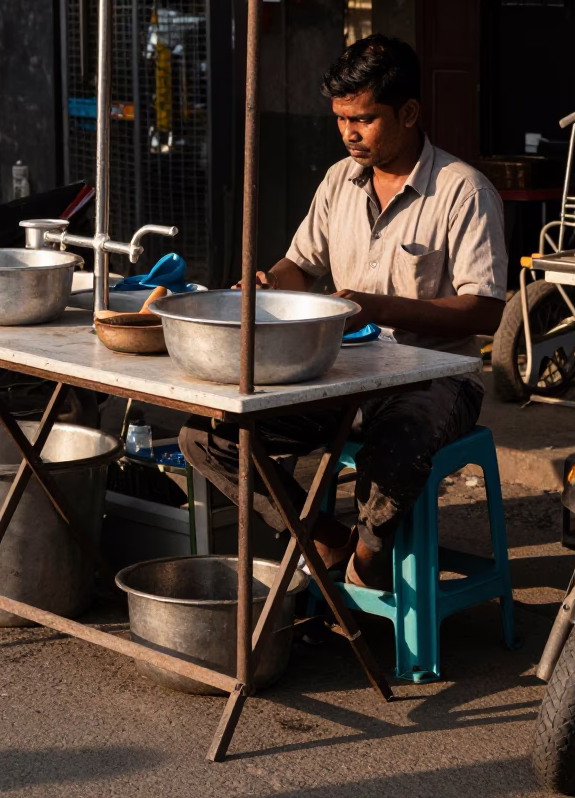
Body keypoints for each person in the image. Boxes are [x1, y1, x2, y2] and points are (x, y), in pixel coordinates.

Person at [179, 34, 507, 588]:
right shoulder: (339, 180)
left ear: (407, 113)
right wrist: (264, 284)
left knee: (396, 449)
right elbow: (301, 267)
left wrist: (371, 306)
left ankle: (370, 564)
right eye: (340, 119)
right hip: (344, 373)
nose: (349, 133)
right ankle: (327, 541)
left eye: (364, 119)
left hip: (435, 379)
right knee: (208, 436)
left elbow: (484, 312)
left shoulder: (463, 192)